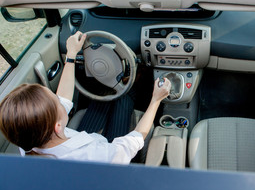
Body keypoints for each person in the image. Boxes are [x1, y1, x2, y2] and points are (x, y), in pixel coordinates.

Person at [0, 31, 171, 164]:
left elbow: (64, 99)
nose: (59, 98)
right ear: (57, 126)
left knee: (106, 95)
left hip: (80, 139)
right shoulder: (94, 156)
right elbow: (136, 138)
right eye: (54, 99)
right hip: (111, 158)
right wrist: (156, 99)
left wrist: (72, 54)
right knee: (125, 96)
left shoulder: (27, 140)